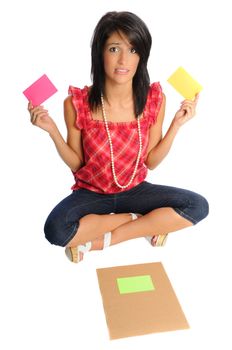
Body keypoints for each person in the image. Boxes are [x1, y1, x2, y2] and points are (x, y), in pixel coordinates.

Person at [28, 11, 209, 263]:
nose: (124, 59)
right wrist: (52, 131)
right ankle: (143, 221)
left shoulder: (154, 99)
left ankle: (102, 240)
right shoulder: (76, 102)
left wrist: (176, 124)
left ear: (141, 57)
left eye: (133, 50)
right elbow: (78, 164)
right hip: (91, 193)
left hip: (136, 190)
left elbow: (151, 162)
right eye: (114, 49)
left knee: (198, 206)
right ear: (100, 53)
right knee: (56, 230)